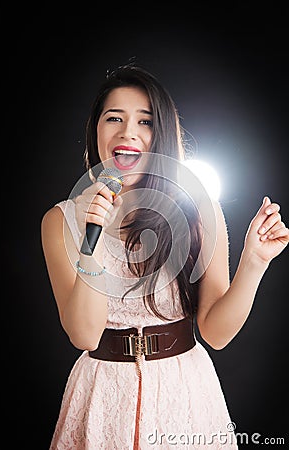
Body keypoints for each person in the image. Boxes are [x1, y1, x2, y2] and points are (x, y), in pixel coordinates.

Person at [41, 64, 288, 450]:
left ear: (162, 137)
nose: (128, 132)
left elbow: (216, 333)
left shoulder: (198, 209)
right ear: (96, 131)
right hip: (101, 394)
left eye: (145, 121)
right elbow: (84, 334)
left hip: (185, 393)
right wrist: (97, 233)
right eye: (114, 119)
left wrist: (255, 261)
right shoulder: (59, 221)